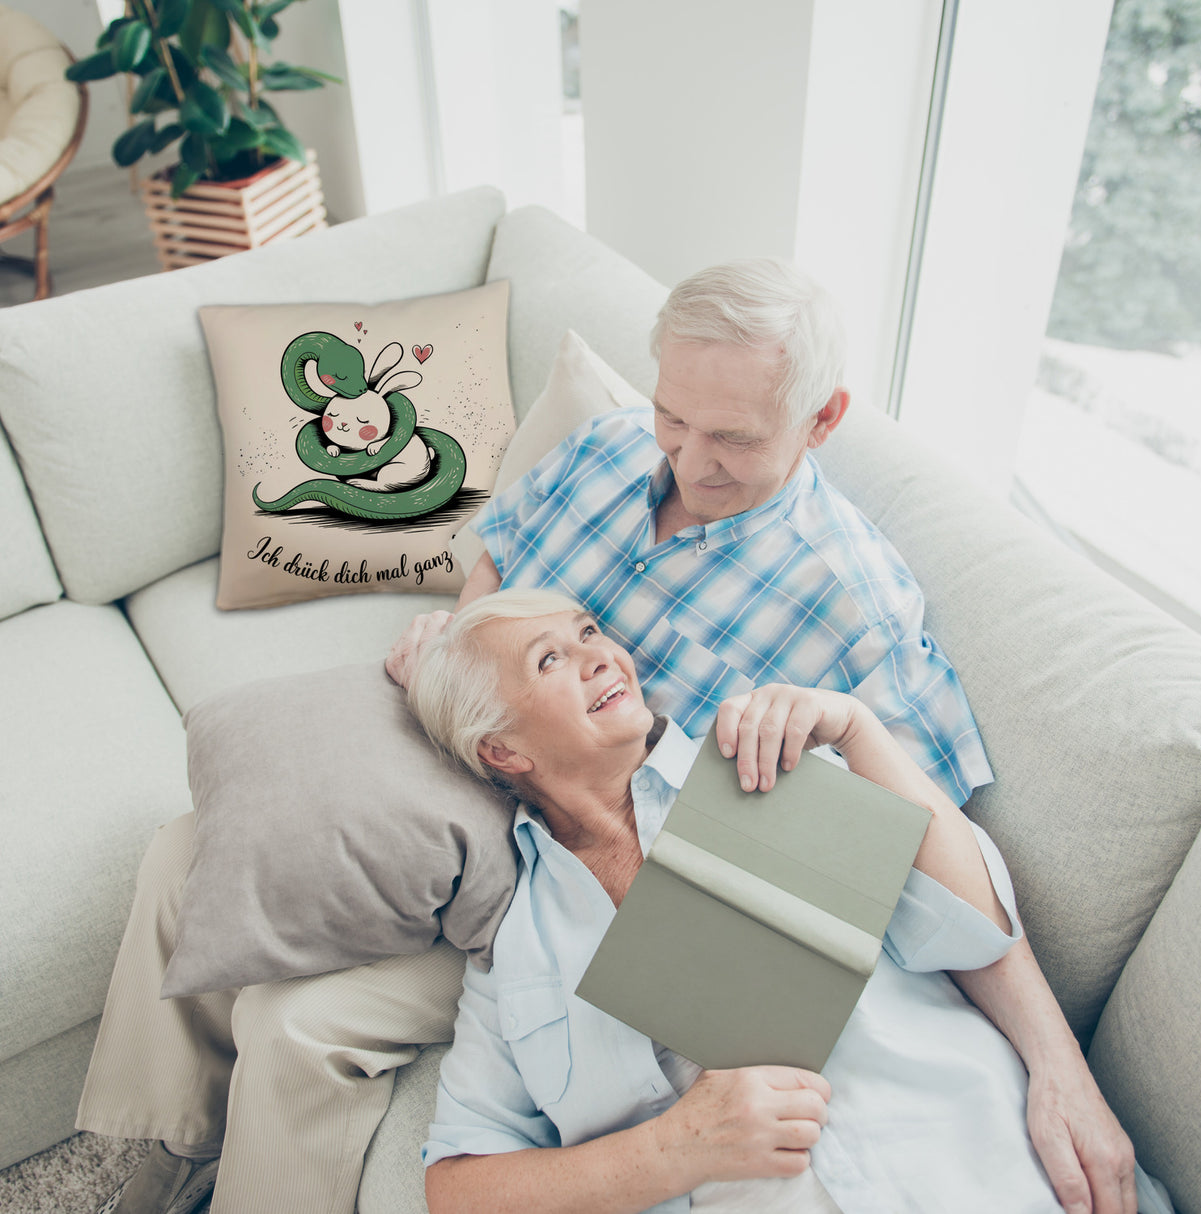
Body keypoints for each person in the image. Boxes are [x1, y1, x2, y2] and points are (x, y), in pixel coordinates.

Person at [388, 259, 1136, 1213]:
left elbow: (943, 884)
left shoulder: (833, 654)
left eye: (732, 438)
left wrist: (1058, 1067)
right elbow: (500, 549)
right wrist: (463, 657)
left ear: (822, 420)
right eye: (674, 418)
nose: (689, 463)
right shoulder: (609, 450)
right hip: (496, 835)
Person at [407, 588, 1155, 1214]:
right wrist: (672, 1150)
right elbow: (458, 1187)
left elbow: (973, 929)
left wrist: (858, 729)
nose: (601, 655)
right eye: (550, 659)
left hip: (987, 1167)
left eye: (589, 632)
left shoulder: (762, 761)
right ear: (501, 750)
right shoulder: (516, 951)